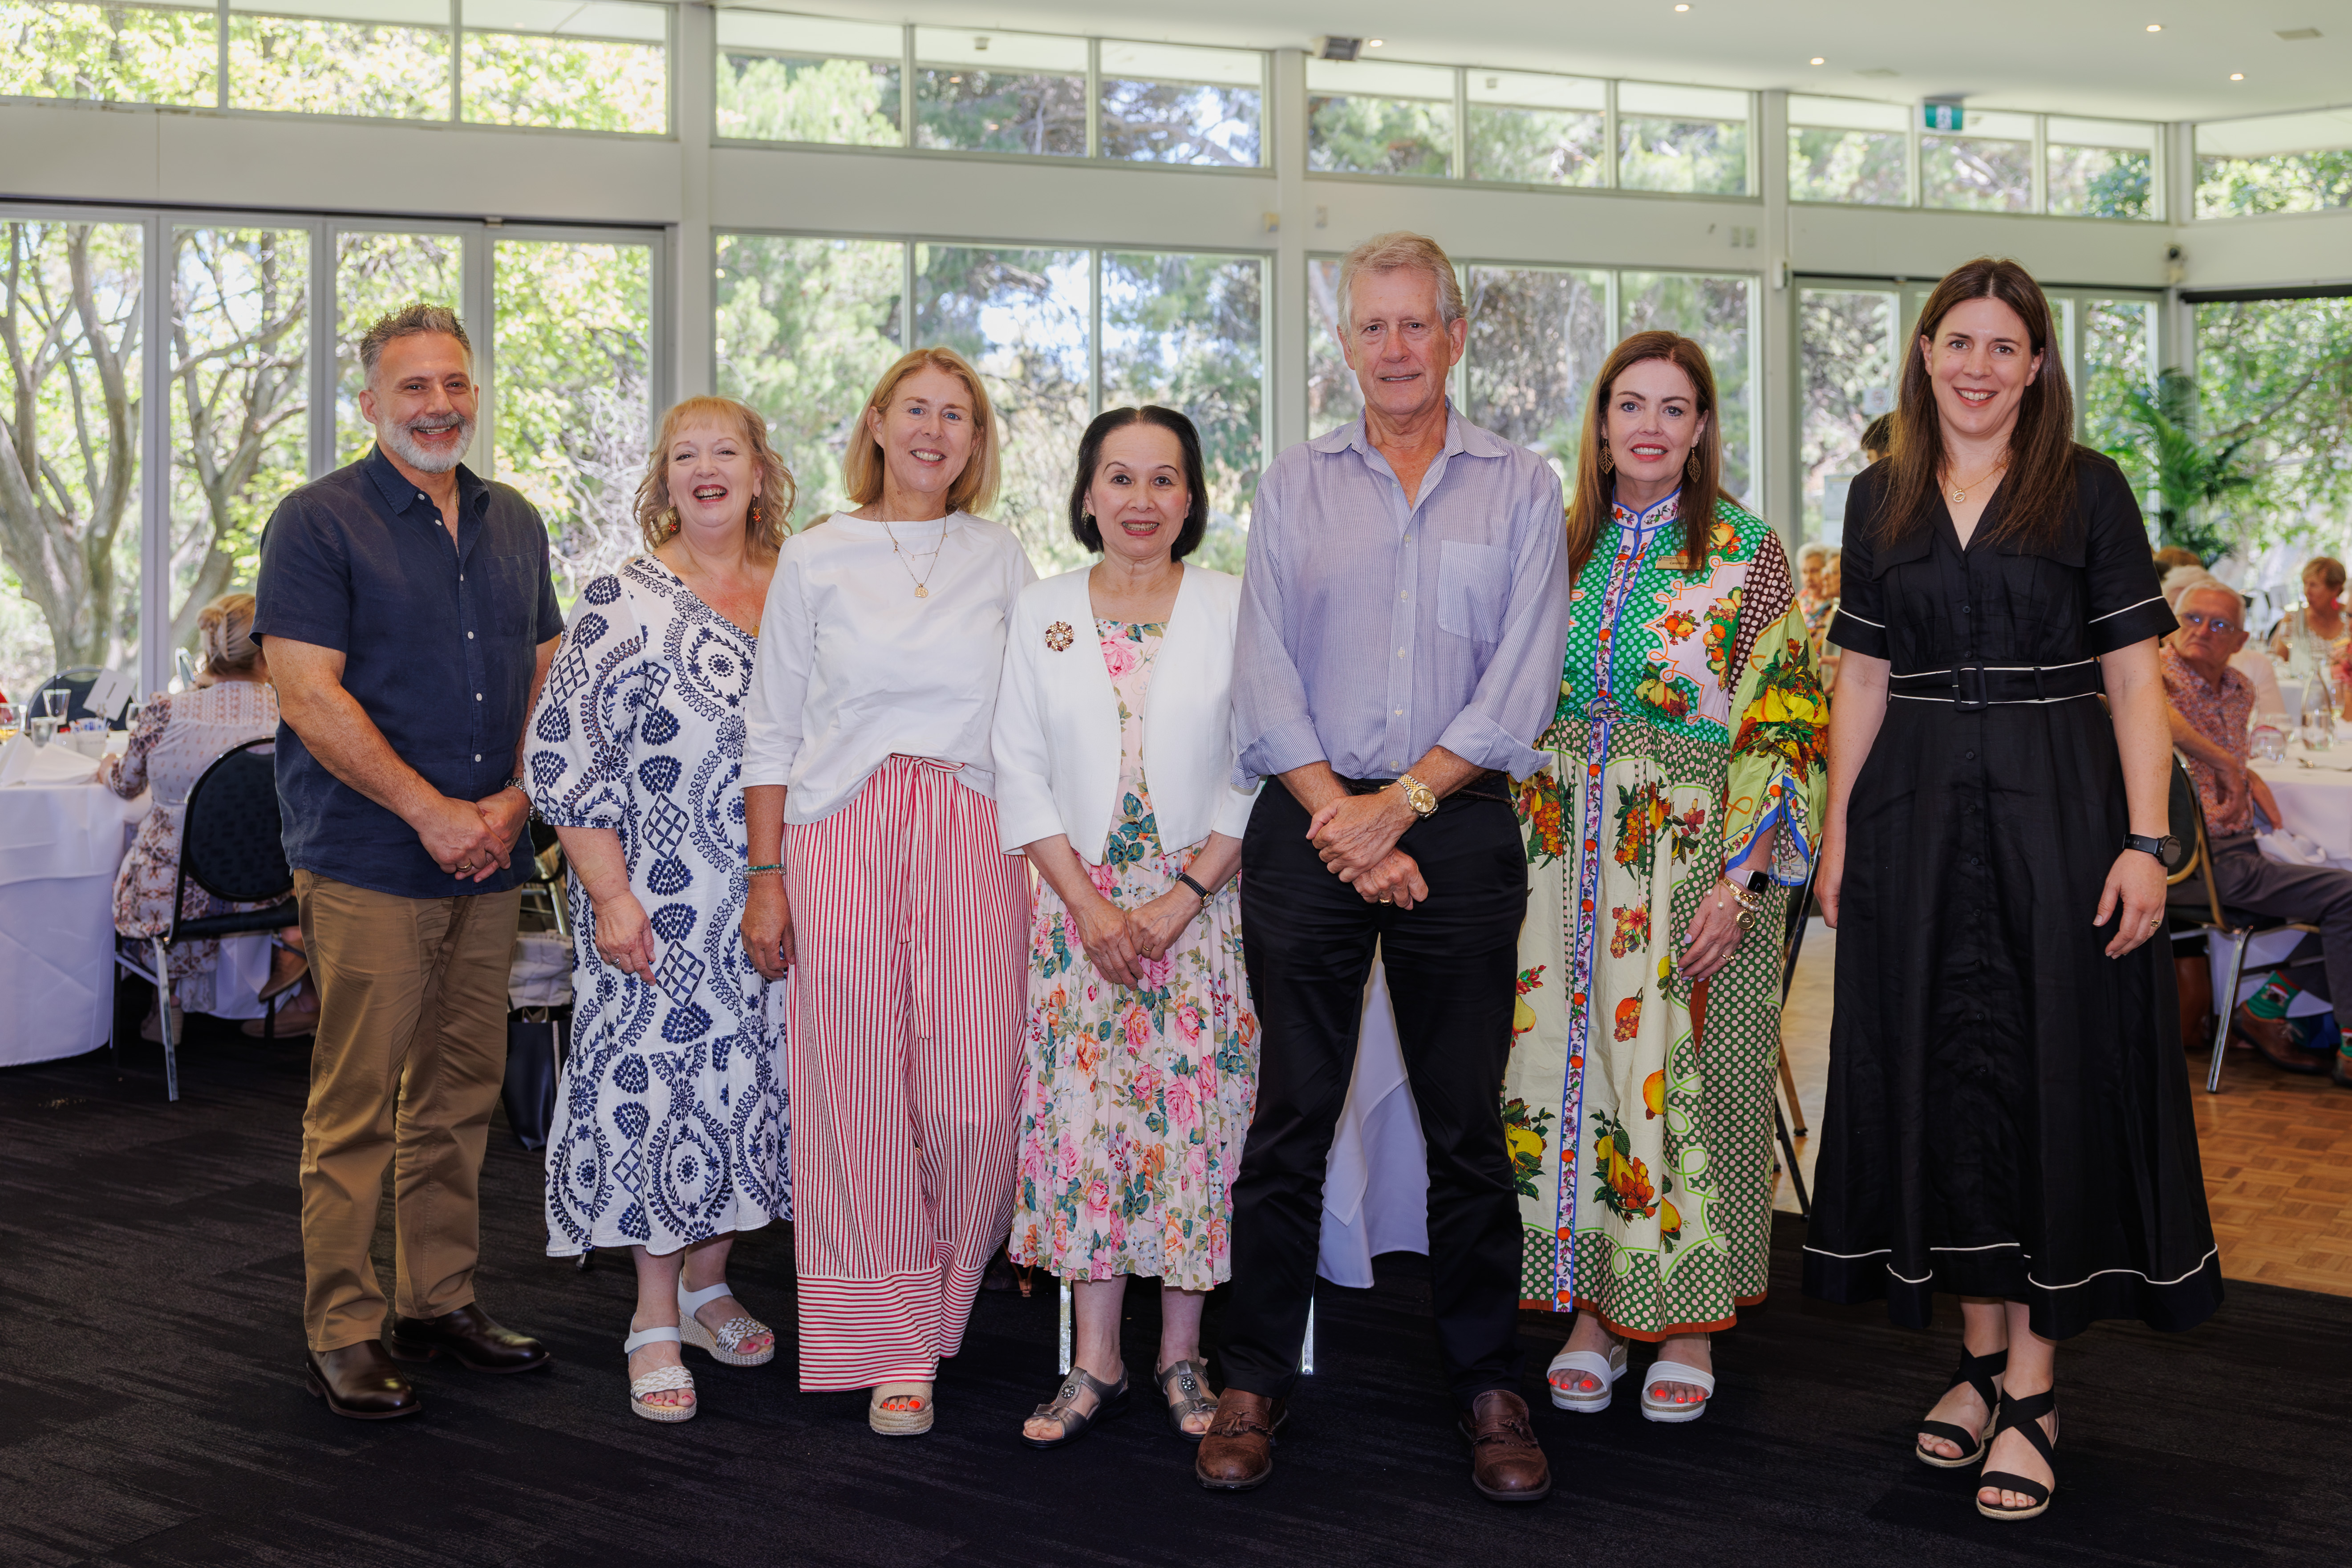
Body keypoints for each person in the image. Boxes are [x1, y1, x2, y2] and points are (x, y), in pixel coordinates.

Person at [1805, 257, 2221, 1523]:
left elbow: (2135, 677)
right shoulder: (1875, 496)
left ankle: (2033, 1386)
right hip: (1911, 816)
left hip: (2059, 810)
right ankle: (1978, 1358)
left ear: (2035, 365)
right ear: (1924, 353)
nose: (1977, 367)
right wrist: (1835, 836)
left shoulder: (2088, 488)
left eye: (2003, 346)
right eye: (1957, 342)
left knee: (2047, 1074)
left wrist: (2143, 840)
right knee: (1937, 1075)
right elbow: (1861, 680)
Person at [1204, 231, 1571, 1505]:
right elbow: (1261, 675)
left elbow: (1522, 680)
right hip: (1308, 821)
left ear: (1454, 337)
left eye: (1418, 324)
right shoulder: (1291, 485)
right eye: (1373, 325)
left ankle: (1486, 1381)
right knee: (1288, 1119)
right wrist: (1346, 821)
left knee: (1466, 1125)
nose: (1396, 347)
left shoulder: (1520, 486)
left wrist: (1400, 810)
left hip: (1455, 822)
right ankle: (1252, 1375)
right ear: (1344, 342)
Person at [1510, 331, 1828, 1423]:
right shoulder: (1554, 544)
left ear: (1699, 430)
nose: (1649, 426)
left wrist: (1737, 884)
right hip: (1558, 859)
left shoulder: (1747, 553)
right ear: (1599, 426)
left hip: (1694, 854)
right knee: (1577, 1075)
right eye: (1629, 405)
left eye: (1673, 407)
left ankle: (1688, 1320)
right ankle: (1595, 1311)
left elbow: (1786, 721)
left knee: (1698, 1081)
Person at [256, 303, 564, 1421]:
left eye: (454, 383)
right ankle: (343, 1327)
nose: (439, 405)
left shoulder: (513, 519)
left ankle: (437, 1300)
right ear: (371, 403)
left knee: (457, 1092)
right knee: (356, 1105)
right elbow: (307, 691)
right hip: (369, 858)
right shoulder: (317, 520)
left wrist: (516, 803)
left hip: (489, 853)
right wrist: (432, 813)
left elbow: (548, 672)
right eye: (414, 387)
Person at [740, 347, 1036, 1436]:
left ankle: (936, 1301)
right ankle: (893, 1345)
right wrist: (765, 878)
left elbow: (1037, 712)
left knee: (977, 1100)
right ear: (874, 422)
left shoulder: (1000, 555)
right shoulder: (816, 555)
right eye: (915, 408)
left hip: (973, 825)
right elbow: (770, 728)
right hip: (838, 831)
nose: (932, 430)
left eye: (956, 415)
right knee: (855, 1091)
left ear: (975, 441)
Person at [993, 406, 1261, 1448]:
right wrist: (1089, 905)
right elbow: (1016, 766)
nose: (1139, 499)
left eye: (1161, 478)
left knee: (1194, 1125)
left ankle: (1181, 1357)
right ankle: (1095, 1360)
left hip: (1200, 905)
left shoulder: (1233, 605)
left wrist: (1180, 896)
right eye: (1119, 477)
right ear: (1086, 494)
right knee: (1085, 1127)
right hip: (1077, 911)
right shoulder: (1043, 610)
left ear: (1190, 498)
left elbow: (1255, 762)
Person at [527, 396, 795, 1421]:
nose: (706, 468)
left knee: (750, 1089)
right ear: (664, 479)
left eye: (726, 450)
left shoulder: (798, 590)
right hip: (660, 907)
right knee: (661, 1094)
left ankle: (707, 1285)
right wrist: (610, 897)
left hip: (775, 900)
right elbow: (565, 760)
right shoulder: (622, 599)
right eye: (685, 454)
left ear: (761, 471)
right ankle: (651, 1316)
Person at [101, 592, 316, 1042]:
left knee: (146, 852)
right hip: (266, 889)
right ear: (266, 652)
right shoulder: (294, 714)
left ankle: (167, 998)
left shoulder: (166, 711)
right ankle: (294, 972)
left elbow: (125, 785)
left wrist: (106, 767)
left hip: (172, 894)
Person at [2163, 577, 2352, 1083]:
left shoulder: (2239, 688)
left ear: (2241, 640)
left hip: (2244, 849)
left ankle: (2268, 1004)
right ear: (2172, 623)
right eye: (2191, 618)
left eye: (2219, 623)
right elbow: (2146, 712)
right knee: (2347, 894)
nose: (2202, 630)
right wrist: (2227, 763)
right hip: (2195, 862)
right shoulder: (2153, 677)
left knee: (2340, 889)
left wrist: (2244, 771)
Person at [2268, 555, 2348, 694]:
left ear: (2335, 589)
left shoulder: (2349, 617)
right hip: (2302, 692)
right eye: (2305, 584)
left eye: (2314, 585)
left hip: (2343, 693)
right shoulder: (2294, 618)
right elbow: (2277, 661)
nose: (2307, 591)